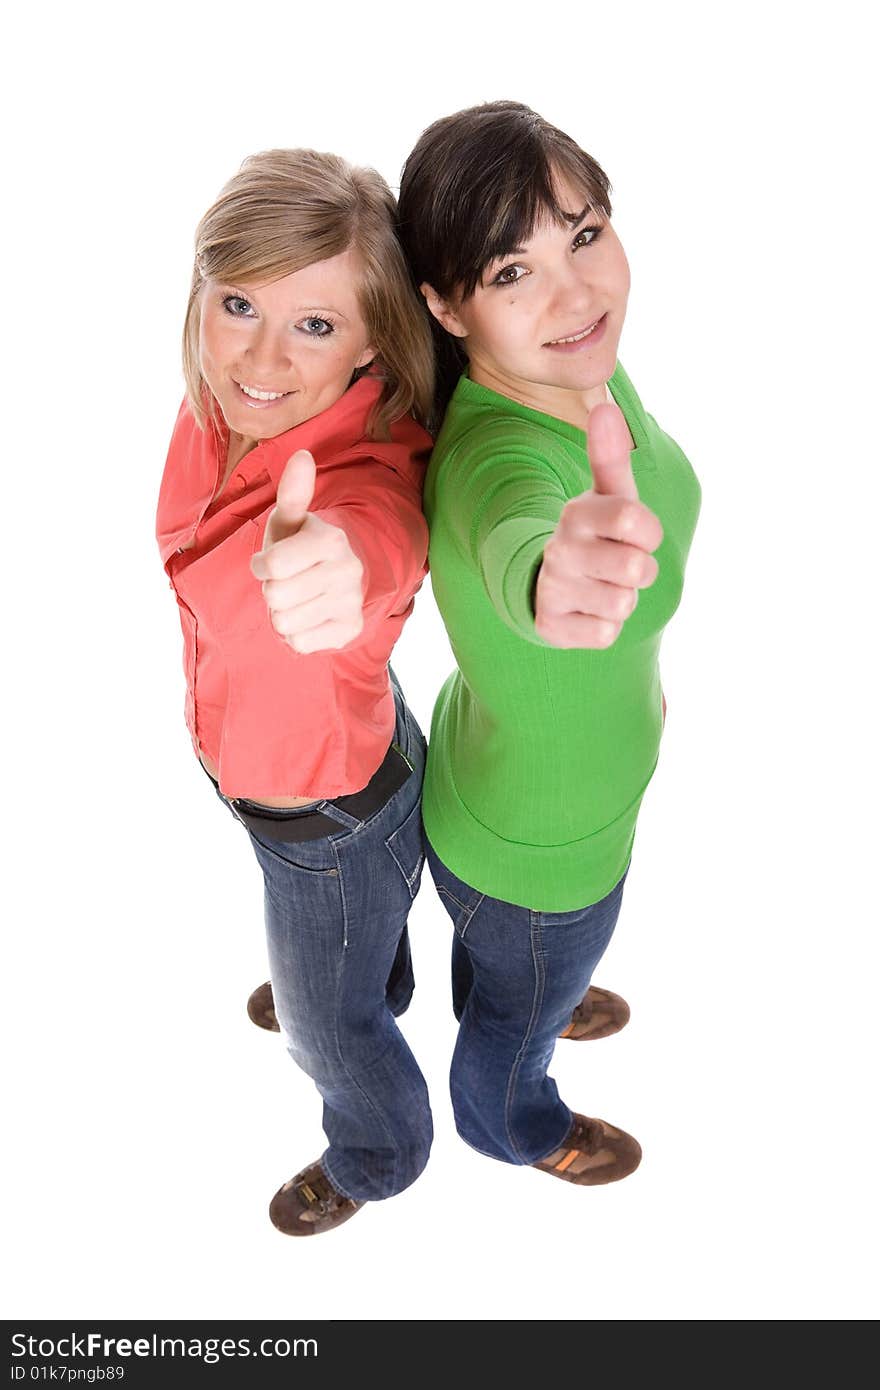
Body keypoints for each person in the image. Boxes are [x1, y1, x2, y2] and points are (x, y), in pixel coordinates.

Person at [396, 101, 702, 1185]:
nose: (577, 293)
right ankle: (510, 1117)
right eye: (511, 271)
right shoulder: (494, 462)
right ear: (446, 305)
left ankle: (531, 987)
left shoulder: (579, 367)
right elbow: (523, 531)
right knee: (516, 1015)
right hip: (538, 854)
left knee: (522, 972)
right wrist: (551, 578)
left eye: (581, 233)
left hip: (515, 802)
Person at [156, 148, 436, 1235]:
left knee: (323, 1032)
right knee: (355, 946)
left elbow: (377, 546)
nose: (260, 357)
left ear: (374, 340)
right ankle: (373, 981)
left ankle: (376, 1150)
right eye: (237, 304)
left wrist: (343, 568)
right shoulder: (224, 404)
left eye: (314, 325)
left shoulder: (357, 480)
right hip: (335, 765)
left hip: (322, 822)